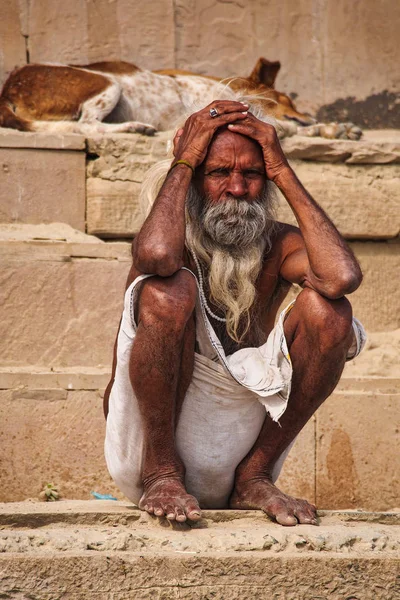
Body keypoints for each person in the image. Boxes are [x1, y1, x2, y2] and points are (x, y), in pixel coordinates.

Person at [103, 99, 365, 526]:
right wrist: (185, 157)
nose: (238, 189)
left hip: (240, 452)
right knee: (168, 290)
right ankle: (163, 472)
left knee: (330, 312)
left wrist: (282, 168)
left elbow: (339, 277)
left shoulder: (280, 244)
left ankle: (255, 476)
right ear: (193, 181)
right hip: (147, 454)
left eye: (253, 175)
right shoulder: (172, 242)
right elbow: (155, 255)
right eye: (219, 173)